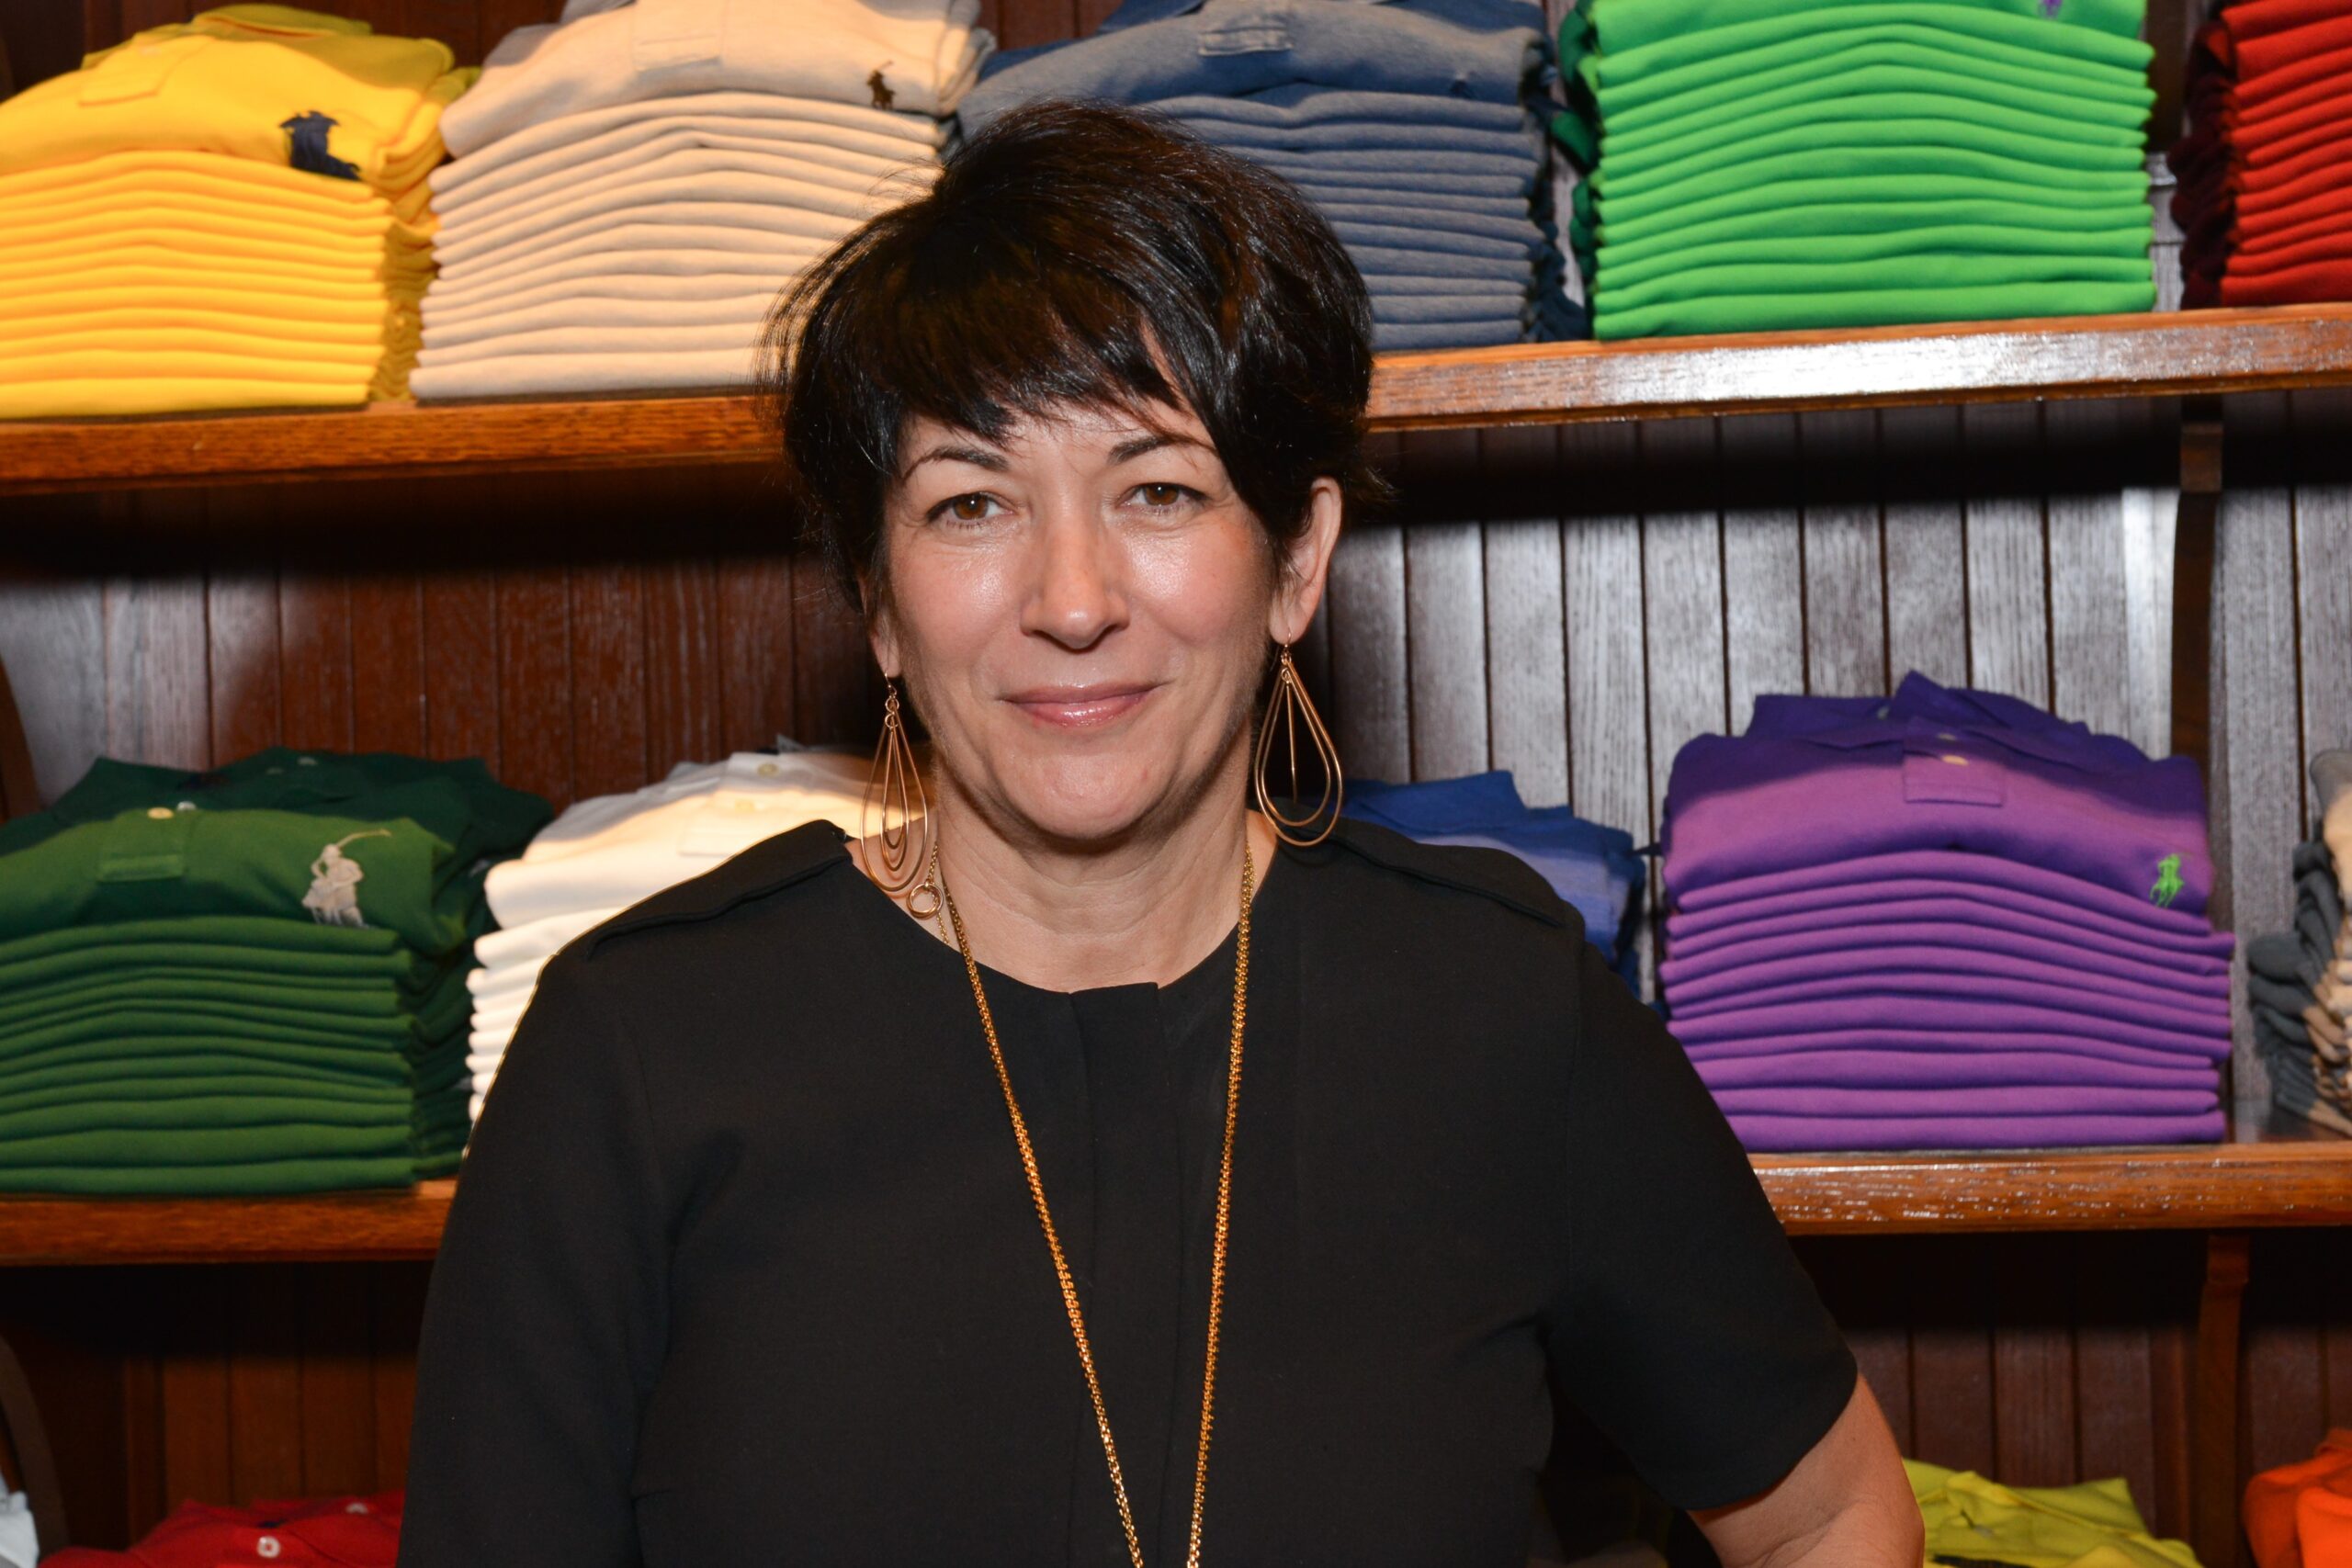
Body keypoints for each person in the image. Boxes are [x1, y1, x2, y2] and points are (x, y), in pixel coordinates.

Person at [399, 103, 1922, 1567]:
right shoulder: (639, 1055)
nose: (1073, 601)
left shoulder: (1503, 1011)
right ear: (878, 599)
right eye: (971, 505)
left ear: (1295, 562)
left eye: (1159, 490)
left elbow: (1826, 1518)